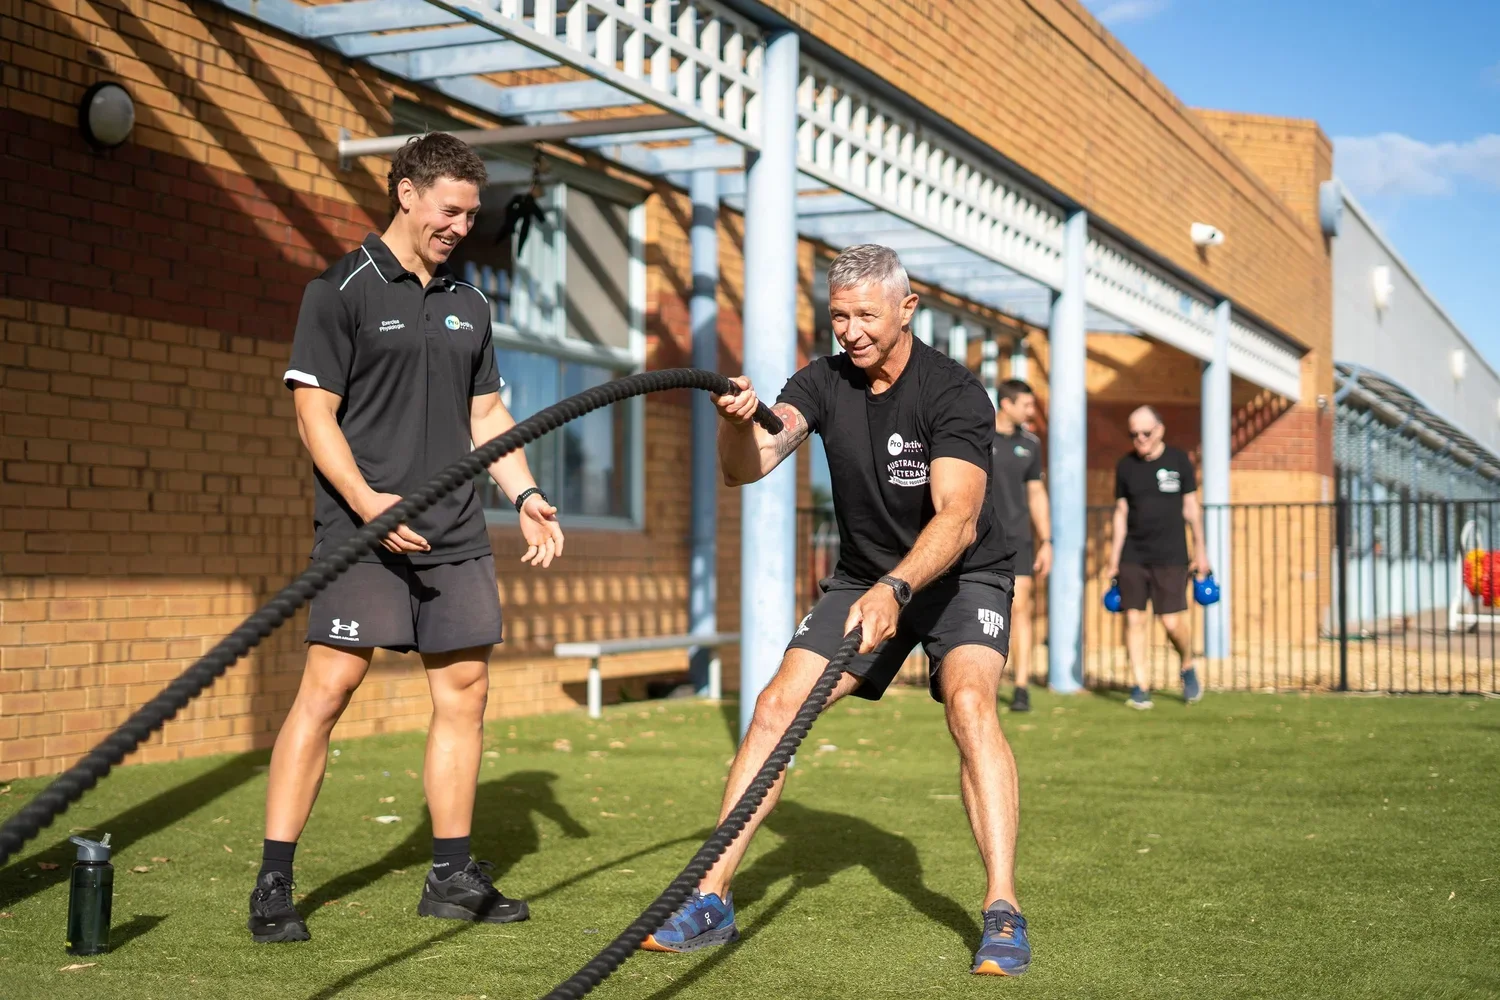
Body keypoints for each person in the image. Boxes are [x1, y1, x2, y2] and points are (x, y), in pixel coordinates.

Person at [642, 245, 1031, 976]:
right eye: (839, 317)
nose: (850, 332)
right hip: (863, 578)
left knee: (970, 702)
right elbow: (746, 466)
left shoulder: (953, 391)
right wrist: (736, 423)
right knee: (774, 707)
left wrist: (897, 590)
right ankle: (711, 897)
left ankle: (1003, 908)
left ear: (907, 309)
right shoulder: (820, 381)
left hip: (962, 574)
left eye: (866, 316)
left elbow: (957, 517)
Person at [248, 133, 566, 943]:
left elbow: (486, 414)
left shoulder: (471, 304)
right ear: (407, 193)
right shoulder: (340, 291)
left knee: (465, 693)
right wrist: (366, 504)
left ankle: (451, 878)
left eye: (470, 214)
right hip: (363, 532)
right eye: (448, 210)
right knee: (328, 690)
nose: (459, 227)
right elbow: (313, 414)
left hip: (455, 530)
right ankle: (274, 882)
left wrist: (525, 492)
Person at [1104, 406, 1209, 710]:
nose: (1140, 438)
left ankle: (1187, 664)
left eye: (1146, 432)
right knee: (1134, 619)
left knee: (1172, 622)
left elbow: (1191, 509)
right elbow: (1121, 513)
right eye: (1133, 434)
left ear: (1160, 430)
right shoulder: (1125, 466)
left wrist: (1201, 551)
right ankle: (1140, 686)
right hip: (1133, 554)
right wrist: (1114, 558)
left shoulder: (1179, 461)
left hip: (1172, 554)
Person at [990, 379, 1051, 712]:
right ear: (1006, 404)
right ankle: (983, 682)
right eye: (1026, 405)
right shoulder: (979, 436)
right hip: (980, 540)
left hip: (1018, 540)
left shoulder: (1030, 444)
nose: (1031, 411)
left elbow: (1037, 494)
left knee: (1020, 608)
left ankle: (1022, 687)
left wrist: (1047, 541)